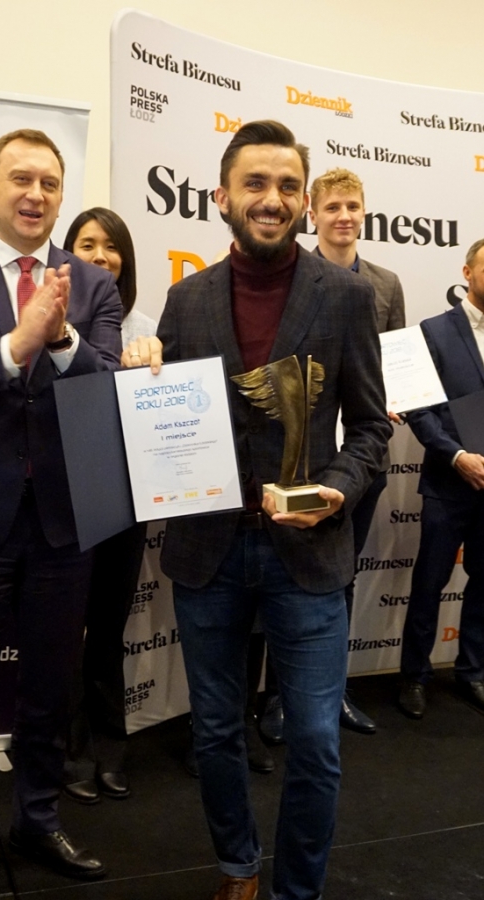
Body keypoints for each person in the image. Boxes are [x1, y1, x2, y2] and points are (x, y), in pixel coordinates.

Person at [140, 120, 391, 900]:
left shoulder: (347, 296)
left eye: (287, 185)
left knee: (314, 741)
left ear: (303, 202)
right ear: (221, 196)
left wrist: (335, 489)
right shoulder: (185, 300)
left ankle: (296, 892)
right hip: (207, 553)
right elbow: (161, 424)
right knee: (215, 731)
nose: (271, 198)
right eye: (255, 182)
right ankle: (238, 867)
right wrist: (141, 376)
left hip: (307, 555)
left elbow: (372, 428)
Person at [0, 129, 156, 900]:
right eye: (20, 178)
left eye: (49, 182)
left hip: (63, 521)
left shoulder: (93, 284)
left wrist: (64, 335)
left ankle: (38, 820)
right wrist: (17, 344)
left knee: (50, 689)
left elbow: (105, 388)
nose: (35, 194)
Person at [61, 208, 156, 803]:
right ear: (66, 254)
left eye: (111, 246)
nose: (100, 255)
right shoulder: (48, 320)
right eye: (87, 244)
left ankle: (110, 747)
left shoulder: (146, 328)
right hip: (65, 496)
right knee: (63, 630)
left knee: (108, 630)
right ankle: (69, 750)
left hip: (127, 495)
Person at [308, 167, 406, 734]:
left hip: (364, 459)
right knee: (298, 582)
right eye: (333, 207)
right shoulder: (294, 277)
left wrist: (397, 399)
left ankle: (334, 693)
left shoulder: (386, 284)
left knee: (343, 576)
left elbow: (393, 361)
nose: (344, 217)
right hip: (309, 456)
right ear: (313, 215)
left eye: (352, 207)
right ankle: (283, 698)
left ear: (364, 213)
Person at [398, 238, 484, 719]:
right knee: (429, 583)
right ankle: (414, 676)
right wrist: (456, 457)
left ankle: (473, 673)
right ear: (466, 272)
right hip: (448, 483)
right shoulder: (433, 331)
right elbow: (418, 408)